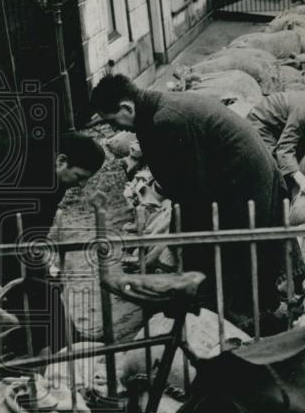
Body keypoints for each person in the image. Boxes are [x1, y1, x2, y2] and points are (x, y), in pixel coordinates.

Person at [88, 75, 291, 331]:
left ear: (127, 108)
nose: (117, 130)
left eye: (113, 121)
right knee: (206, 244)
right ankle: (230, 309)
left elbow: (190, 189)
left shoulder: (166, 121)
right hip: (234, 178)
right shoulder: (158, 109)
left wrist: (180, 235)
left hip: (243, 182)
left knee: (225, 250)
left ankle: (233, 318)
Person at [0, 129, 105, 358]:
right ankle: (55, 342)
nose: (81, 185)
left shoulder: (52, 172)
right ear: (62, 161)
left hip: (9, 234)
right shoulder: (29, 175)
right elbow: (14, 234)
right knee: (31, 285)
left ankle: (54, 338)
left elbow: (37, 227)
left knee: (36, 283)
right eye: (80, 176)